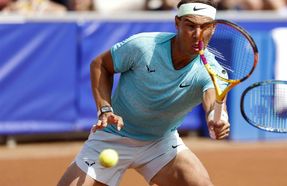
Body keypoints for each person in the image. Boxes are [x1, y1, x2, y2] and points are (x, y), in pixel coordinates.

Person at [57, 0, 230, 185]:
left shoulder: (213, 71)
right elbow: (100, 65)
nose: (198, 35)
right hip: (113, 136)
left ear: (213, 28)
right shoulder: (143, 46)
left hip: (160, 143)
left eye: (205, 27)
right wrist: (105, 109)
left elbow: (213, 102)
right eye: (190, 26)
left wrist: (217, 118)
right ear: (177, 23)